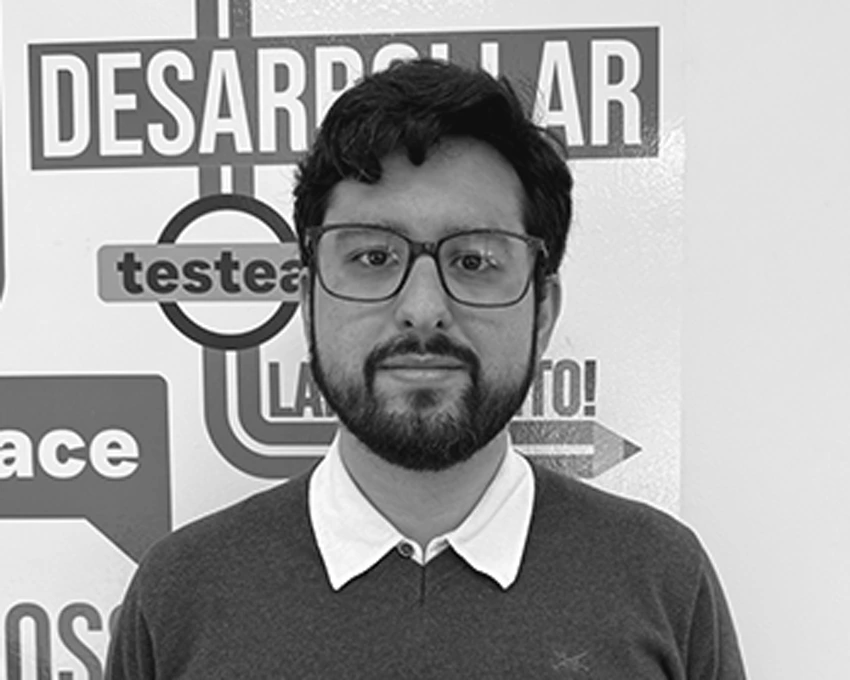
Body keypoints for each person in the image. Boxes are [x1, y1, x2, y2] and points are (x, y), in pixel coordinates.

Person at [106, 59, 746, 679]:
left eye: (474, 261)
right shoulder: (180, 596)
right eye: (373, 256)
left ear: (542, 311)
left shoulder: (662, 581)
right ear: (308, 298)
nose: (422, 309)